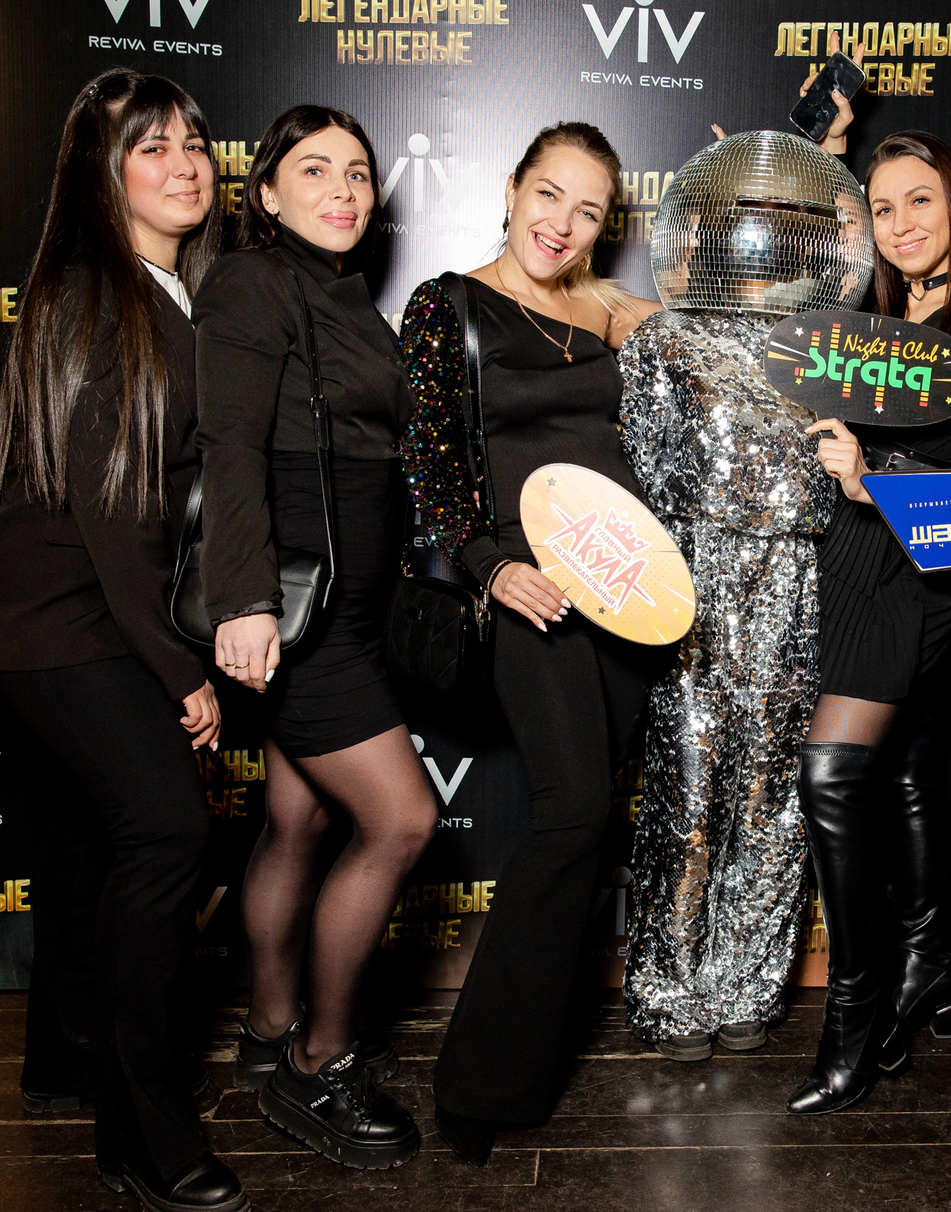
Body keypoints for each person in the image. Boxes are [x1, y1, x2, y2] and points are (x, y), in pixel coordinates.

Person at [0, 68, 243, 1212]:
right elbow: (117, 516)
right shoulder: (96, 292)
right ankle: (145, 1133)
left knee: (91, 848)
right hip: (60, 617)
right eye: (152, 146)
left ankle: (73, 1068)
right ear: (103, 169)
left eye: (195, 143)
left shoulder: (167, 290)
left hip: (76, 607)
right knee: (168, 831)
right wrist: (183, 671)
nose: (186, 164)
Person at [399, 122, 665, 1166]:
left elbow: (721, 355)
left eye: (588, 209)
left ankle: (523, 1061)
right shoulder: (447, 305)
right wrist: (488, 566)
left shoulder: (610, 311)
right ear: (511, 189)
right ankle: (479, 1082)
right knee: (574, 811)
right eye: (548, 195)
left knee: (587, 828)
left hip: (625, 593)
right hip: (531, 590)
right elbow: (427, 462)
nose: (562, 223)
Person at [194, 105, 429, 1169]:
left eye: (358, 173)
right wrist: (243, 599)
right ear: (267, 192)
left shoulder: (347, 297)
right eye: (315, 169)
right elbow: (230, 446)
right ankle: (317, 1063)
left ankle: (265, 1025)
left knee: (295, 818)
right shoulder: (253, 282)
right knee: (402, 818)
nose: (343, 189)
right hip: (300, 612)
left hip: (356, 610)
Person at [787, 127, 951, 1114]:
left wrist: (873, 470)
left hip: (917, 571)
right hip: (857, 557)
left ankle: (857, 1013)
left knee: (832, 770)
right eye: (882, 208)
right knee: (909, 773)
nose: (900, 224)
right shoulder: (879, 315)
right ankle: (929, 966)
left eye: (919, 200)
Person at [618, 130, 873, 1064]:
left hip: (797, 581)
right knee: (686, 790)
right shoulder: (664, 339)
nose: (766, 232)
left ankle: (747, 986)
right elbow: (641, 467)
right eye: (750, 212)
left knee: (771, 792)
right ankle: (669, 987)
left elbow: (862, 467)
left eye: (786, 216)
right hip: (689, 584)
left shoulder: (834, 346)